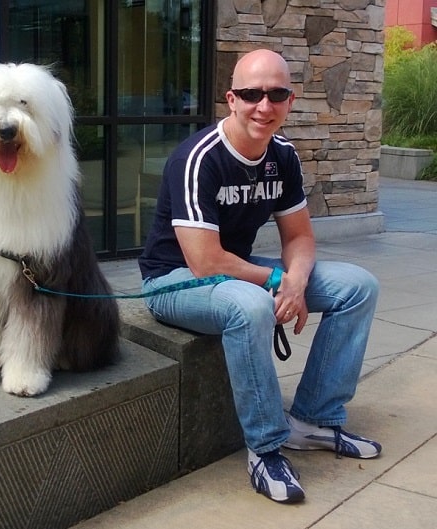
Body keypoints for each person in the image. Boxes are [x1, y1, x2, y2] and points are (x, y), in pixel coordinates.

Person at [138, 49, 381, 504]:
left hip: (233, 271)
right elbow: (206, 262)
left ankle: (313, 421)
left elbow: (300, 238)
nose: (263, 106)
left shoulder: (283, 156)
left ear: (291, 100)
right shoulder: (198, 158)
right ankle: (266, 449)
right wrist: (274, 283)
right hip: (174, 280)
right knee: (250, 306)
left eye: (276, 94)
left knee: (357, 286)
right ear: (231, 99)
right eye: (251, 94)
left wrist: (295, 279)